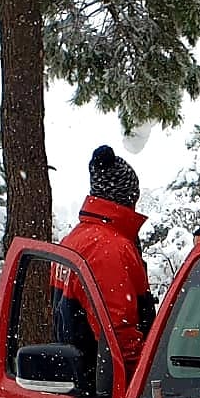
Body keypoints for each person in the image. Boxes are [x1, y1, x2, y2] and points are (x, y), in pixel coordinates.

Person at [55, 145, 154, 374]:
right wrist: (141, 379)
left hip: (78, 380)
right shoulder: (108, 249)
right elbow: (118, 336)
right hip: (105, 390)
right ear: (127, 198)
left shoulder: (74, 240)